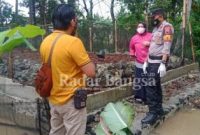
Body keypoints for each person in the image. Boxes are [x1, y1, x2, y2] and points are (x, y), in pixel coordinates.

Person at [40, 4, 96, 135]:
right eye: (75, 19)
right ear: (72, 21)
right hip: (71, 102)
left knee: (56, 132)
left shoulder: (45, 42)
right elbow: (91, 73)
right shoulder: (73, 42)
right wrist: (91, 61)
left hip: (53, 99)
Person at [141, 8, 174, 125]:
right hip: (151, 61)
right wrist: (146, 61)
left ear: (159, 16)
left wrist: (163, 63)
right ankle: (159, 110)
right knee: (156, 86)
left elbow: (167, 46)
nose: (152, 19)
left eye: (153, 16)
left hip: (158, 63)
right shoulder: (156, 28)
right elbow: (152, 47)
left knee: (150, 86)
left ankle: (152, 113)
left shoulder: (167, 27)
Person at [129, 22, 152, 104]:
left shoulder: (150, 36)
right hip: (139, 62)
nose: (140, 28)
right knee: (139, 79)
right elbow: (131, 48)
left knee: (148, 79)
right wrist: (132, 54)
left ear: (145, 28)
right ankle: (139, 97)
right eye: (138, 26)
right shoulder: (134, 38)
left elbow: (156, 46)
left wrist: (150, 44)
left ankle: (148, 98)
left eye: (142, 26)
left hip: (149, 62)